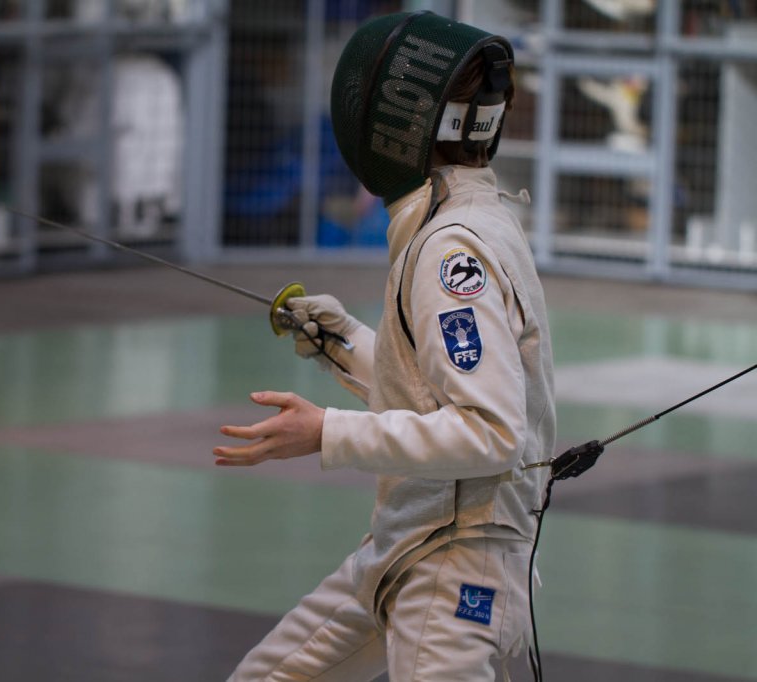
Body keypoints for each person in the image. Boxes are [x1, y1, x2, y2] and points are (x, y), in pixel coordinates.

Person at [213, 11, 556, 681]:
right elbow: (438, 392)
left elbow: (489, 430)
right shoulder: (473, 217)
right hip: (409, 544)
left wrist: (327, 432)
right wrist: (341, 340)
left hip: (455, 573)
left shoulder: (449, 249)